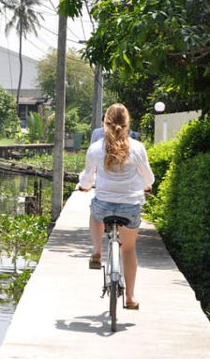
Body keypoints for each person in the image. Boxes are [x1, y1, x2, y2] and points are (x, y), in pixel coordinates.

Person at [77, 103, 154, 310]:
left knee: (95, 213)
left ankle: (97, 251)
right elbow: (148, 177)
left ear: (105, 123)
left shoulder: (96, 148)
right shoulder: (137, 148)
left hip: (104, 205)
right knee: (128, 250)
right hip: (129, 208)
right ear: (128, 124)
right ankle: (130, 297)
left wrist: (84, 187)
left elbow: (87, 178)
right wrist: (146, 187)